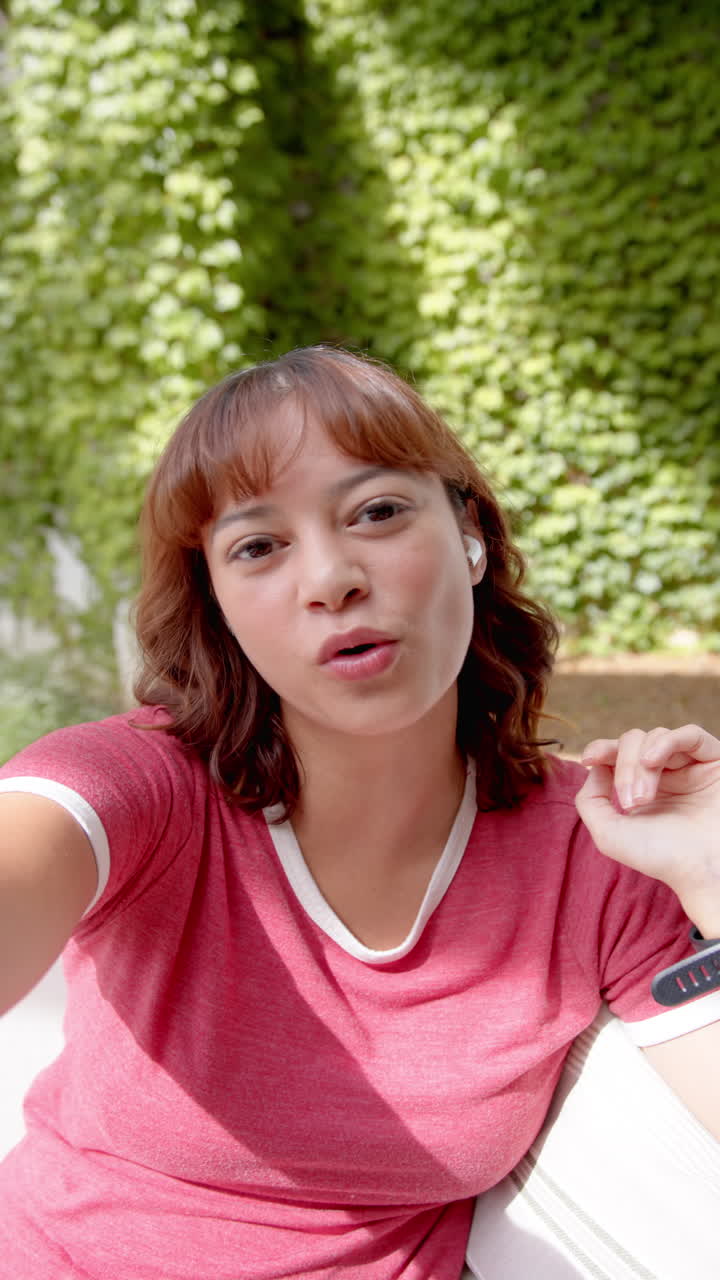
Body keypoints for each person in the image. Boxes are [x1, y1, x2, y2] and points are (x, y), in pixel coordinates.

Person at [0, 344, 718, 1280]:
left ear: (470, 534)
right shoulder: (140, 789)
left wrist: (712, 877)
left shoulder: (599, 849)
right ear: (218, 600)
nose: (330, 577)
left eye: (377, 512)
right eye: (259, 546)